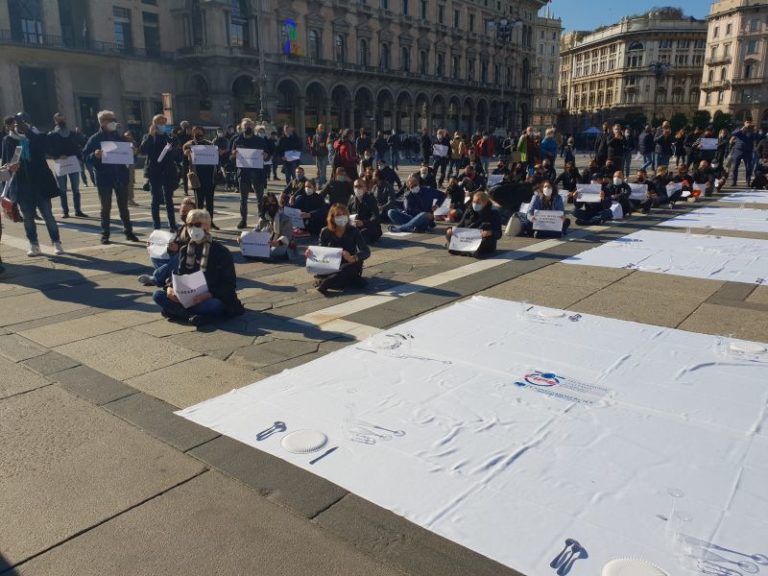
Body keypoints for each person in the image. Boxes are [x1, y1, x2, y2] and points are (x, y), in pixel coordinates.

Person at [153, 209, 244, 325]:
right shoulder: (185, 250)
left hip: (211, 296)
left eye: (197, 224)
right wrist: (169, 288)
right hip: (188, 296)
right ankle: (192, 316)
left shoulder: (220, 251)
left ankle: (178, 313)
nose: (193, 228)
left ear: (208, 226)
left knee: (213, 305)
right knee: (158, 295)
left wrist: (208, 295)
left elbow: (229, 284)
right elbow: (178, 275)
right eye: (190, 225)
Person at [1, 113, 64, 256]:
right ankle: (34, 244)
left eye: (22, 124)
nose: (19, 127)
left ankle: (56, 242)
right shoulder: (8, 140)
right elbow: (5, 162)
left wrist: (28, 133)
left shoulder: (37, 137)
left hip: (40, 183)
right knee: (28, 217)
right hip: (22, 184)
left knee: (48, 215)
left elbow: (48, 149)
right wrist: (9, 169)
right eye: (17, 125)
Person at [82, 110, 139, 245]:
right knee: (105, 207)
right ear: (102, 122)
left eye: (114, 119)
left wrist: (134, 153)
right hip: (104, 178)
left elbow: (131, 158)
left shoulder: (120, 138)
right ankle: (105, 234)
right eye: (110, 120)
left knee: (124, 207)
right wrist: (94, 155)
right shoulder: (95, 139)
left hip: (121, 176)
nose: (113, 122)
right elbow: (85, 157)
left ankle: (129, 232)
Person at [309, 204, 370, 296]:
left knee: (348, 269)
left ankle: (327, 282)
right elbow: (321, 251)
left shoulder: (353, 231)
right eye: (338, 215)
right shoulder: (325, 231)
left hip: (349, 263)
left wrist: (353, 258)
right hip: (332, 264)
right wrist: (311, 254)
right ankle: (338, 280)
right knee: (349, 278)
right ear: (332, 218)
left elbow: (366, 251)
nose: (341, 217)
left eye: (344, 214)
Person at [138, 197, 196, 287]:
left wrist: (178, 248)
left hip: (189, 263)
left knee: (179, 257)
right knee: (155, 256)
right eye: (182, 211)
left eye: (187, 212)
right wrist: (154, 244)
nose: (184, 214)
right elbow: (173, 243)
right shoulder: (182, 228)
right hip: (176, 260)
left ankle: (157, 278)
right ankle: (167, 276)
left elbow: (195, 249)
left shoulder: (196, 229)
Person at [139, 114, 178, 232]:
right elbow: (143, 150)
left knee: (169, 200)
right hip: (154, 172)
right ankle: (156, 225)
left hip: (167, 171)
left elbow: (176, 154)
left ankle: (172, 224)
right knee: (155, 199)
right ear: (154, 125)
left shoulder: (168, 137)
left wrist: (174, 147)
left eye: (164, 123)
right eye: (159, 123)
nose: (162, 125)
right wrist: (151, 135)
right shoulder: (149, 137)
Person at [48, 112, 88, 218]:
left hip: (73, 162)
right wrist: (57, 155)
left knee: (75, 189)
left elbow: (81, 144)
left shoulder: (72, 133)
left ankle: (78, 210)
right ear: (55, 121)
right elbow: (48, 149)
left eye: (63, 119)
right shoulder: (52, 135)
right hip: (60, 163)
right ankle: (65, 211)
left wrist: (79, 158)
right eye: (59, 120)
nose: (61, 122)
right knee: (62, 189)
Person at [232, 118, 270, 229]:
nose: (247, 127)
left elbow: (267, 156)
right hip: (243, 173)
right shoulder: (237, 140)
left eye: (249, 125)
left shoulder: (260, 141)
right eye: (245, 125)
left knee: (260, 198)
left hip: (258, 173)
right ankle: (243, 220)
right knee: (243, 199)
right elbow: (231, 158)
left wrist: (266, 156)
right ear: (242, 127)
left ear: (253, 127)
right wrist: (233, 155)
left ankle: (261, 218)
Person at [183, 126, 219, 229]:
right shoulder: (189, 145)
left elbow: (216, 158)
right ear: (193, 133)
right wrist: (187, 154)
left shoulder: (210, 144)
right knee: (199, 202)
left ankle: (210, 222)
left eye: (200, 132)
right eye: (196, 132)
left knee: (210, 202)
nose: (198, 134)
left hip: (209, 176)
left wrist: (217, 153)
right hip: (197, 177)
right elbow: (184, 156)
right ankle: (198, 223)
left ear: (203, 133)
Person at [446, 191, 501, 256]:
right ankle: (466, 250)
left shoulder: (494, 213)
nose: (475, 204)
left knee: (486, 241)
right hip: (467, 237)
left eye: (478, 203)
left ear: (485, 203)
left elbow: (498, 233)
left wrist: (490, 232)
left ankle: (461, 249)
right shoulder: (469, 210)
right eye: (474, 202)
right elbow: (460, 225)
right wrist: (451, 230)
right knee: (449, 234)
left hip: (481, 238)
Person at [241, 194, 294, 260]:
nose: (271, 204)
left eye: (273, 202)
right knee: (247, 251)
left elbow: (287, 237)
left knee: (270, 253)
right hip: (266, 245)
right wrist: (244, 239)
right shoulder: (263, 219)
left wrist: (277, 243)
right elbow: (255, 232)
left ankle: (262, 255)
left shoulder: (285, 219)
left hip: (281, 245)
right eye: (268, 203)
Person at [348, 178, 382, 243]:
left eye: (360, 186)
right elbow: (346, 213)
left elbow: (375, 217)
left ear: (365, 188)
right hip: (355, 226)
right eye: (355, 186)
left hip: (369, 227)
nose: (357, 188)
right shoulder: (351, 200)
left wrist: (363, 222)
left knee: (362, 235)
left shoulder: (371, 200)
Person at [730, 119, 758, 187]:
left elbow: (756, 138)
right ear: (744, 123)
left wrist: (754, 130)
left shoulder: (752, 131)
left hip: (748, 151)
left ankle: (748, 182)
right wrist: (743, 128)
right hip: (738, 150)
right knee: (735, 167)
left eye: (750, 122)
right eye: (747, 122)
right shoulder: (739, 129)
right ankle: (734, 181)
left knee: (748, 167)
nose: (748, 123)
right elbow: (733, 133)